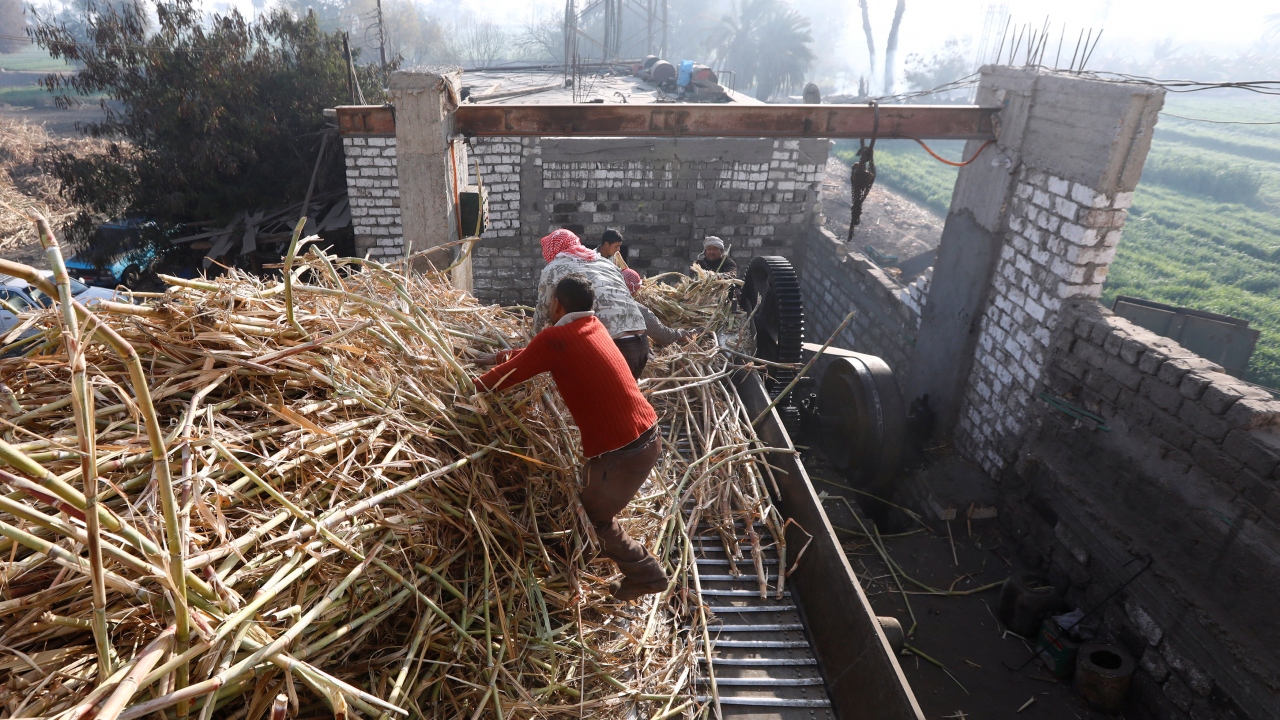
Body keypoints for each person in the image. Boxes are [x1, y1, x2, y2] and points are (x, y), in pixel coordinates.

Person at [475, 274, 668, 601]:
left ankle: (647, 575)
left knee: (594, 520)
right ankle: (584, 563)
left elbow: (511, 374)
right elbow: (533, 356)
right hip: (644, 436)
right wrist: (498, 357)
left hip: (622, 452)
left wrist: (467, 389)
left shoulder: (556, 338)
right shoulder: (593, 328)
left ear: (557, 304)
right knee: (587, 504)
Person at [534, 229, 649, 379]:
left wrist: (533, 346)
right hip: (641, 344)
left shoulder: (554, 268)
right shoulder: (605, 263)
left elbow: (543, 313)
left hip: (608, 347)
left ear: (552, 249)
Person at [622, 269, 700, 347]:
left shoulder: (610, 301)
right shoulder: (638, 311)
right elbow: (663, 335)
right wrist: (690, 334)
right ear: (636, 289)